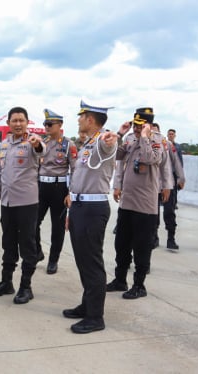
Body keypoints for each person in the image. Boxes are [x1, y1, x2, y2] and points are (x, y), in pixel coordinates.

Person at [62, 100, 118, 334]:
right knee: (83, 262)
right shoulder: (87, 144)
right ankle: (87, 305)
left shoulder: (103, 141)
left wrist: (110, 139)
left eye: (81, 116)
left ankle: (96, 317)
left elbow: (109, 147)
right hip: (80, 208)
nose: (78, 120)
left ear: (91, 120)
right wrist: (71, 211)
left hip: (93, 210)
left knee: (92, 263)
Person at [0, 107, 45, 305]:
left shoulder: (32, 142)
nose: (18, 124)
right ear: (9, 123)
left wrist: (37, 144)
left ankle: (26, 287)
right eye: (14, 120)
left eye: (21, 120)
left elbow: (41, 150)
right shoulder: (4, 144)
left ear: (27, 123)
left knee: (27, 246)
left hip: (27, 204)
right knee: (8, 243)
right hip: (8, 203)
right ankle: (6, 282)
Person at [107, 108, 165, 300]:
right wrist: (121, 133)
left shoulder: (157, 140)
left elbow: (151, 159)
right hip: (127, 201)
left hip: (145, 205)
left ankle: (139, 285)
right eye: (135, 124)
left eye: (141, 124)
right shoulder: (130, 138)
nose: (137, 128)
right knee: (121, 244)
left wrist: (146, 137)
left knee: (141, 246)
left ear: (149, 124)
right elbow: (115, 155)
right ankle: (120, 280)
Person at [35, 109, 77, 274]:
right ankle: (37, 251)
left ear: (60, 125)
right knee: (33, 222)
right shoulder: (42, 143)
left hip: (59, 188)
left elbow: (75, 170)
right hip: (42, 187)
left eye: (50, 124)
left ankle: (53, 260)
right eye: (45, 124)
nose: (46, 126)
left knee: (57, 227)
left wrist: (70, 193)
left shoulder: (68, 145)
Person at [162, 128, 186, 250]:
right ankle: (152, 238)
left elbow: (178, 162)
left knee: (169, 212)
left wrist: (181, 178)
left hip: (170, 182)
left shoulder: (170, 146)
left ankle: (171, 238)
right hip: (153, 184)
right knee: (152, 214)